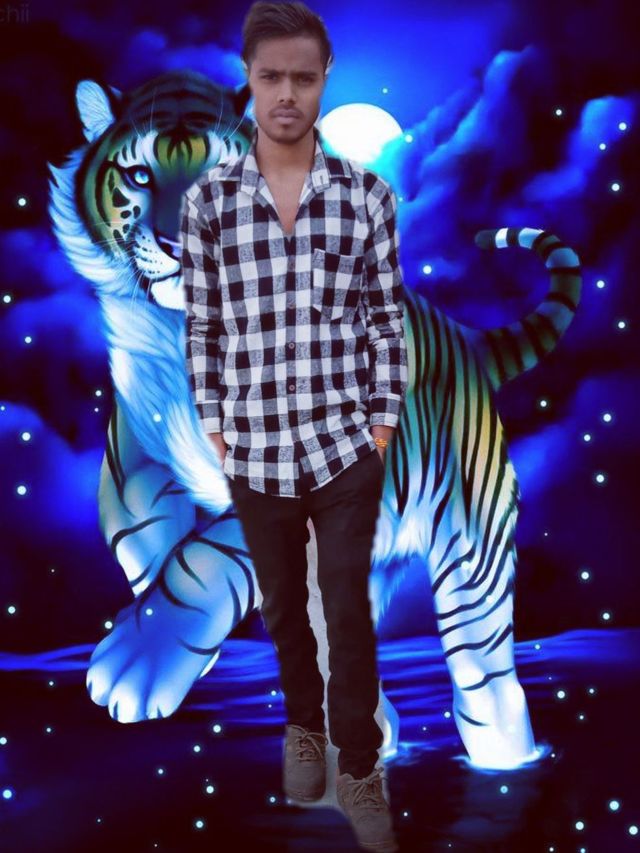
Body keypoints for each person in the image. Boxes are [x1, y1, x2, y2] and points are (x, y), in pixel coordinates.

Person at [180, 3, 407, 850]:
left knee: (346, 608)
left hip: (346, 447)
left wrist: (381, 422)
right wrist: (215, 421)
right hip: (254, 448)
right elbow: (202, 323)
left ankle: (361, 768)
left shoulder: (366, 197)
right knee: (283, 610)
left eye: (303, 78)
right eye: (270, 76)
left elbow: (387, 318)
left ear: (324, 80)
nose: (286, 95)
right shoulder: (209, 201)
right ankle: (303, 726)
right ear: (248, 78)